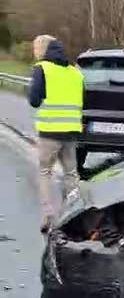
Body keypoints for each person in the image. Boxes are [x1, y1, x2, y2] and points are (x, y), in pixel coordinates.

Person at [29, 35, 84, 233]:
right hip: (70, 132)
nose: (34, 53)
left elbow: (34, 100)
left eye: (35, 49)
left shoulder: (42, 69)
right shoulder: (76, 72)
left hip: (50, 132)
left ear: (43, 50)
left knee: (45, 172)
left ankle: (47, 216)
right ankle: (73, 217)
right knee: (71, 174)